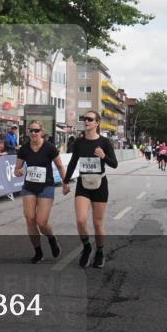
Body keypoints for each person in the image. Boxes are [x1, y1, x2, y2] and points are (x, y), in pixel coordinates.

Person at [64, 111, 118, 269]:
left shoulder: (105, 142)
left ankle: (100, 251)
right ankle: (87, 247)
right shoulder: (79, 142)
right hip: (83, 183)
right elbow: (73, 162)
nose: (86, 121)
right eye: (84, 119)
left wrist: (103, 156)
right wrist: (66, 181)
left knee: (97, 223)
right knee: (81, 220)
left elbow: (114, 164)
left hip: (100, 184)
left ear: (97, 123)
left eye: (90, 119)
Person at [15, 120, 70, 263]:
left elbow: (60, 166)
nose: (33, 133)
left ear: (42, 132)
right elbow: (17, 169)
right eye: (31, 130)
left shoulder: (49, 148)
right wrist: (18, 172)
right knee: (30, 219)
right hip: (29, 187)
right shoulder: (24, 149)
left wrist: (65, 183)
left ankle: (51, 238)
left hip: (46, 186)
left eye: (36, 130)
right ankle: (38, 252)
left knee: (41, 222)